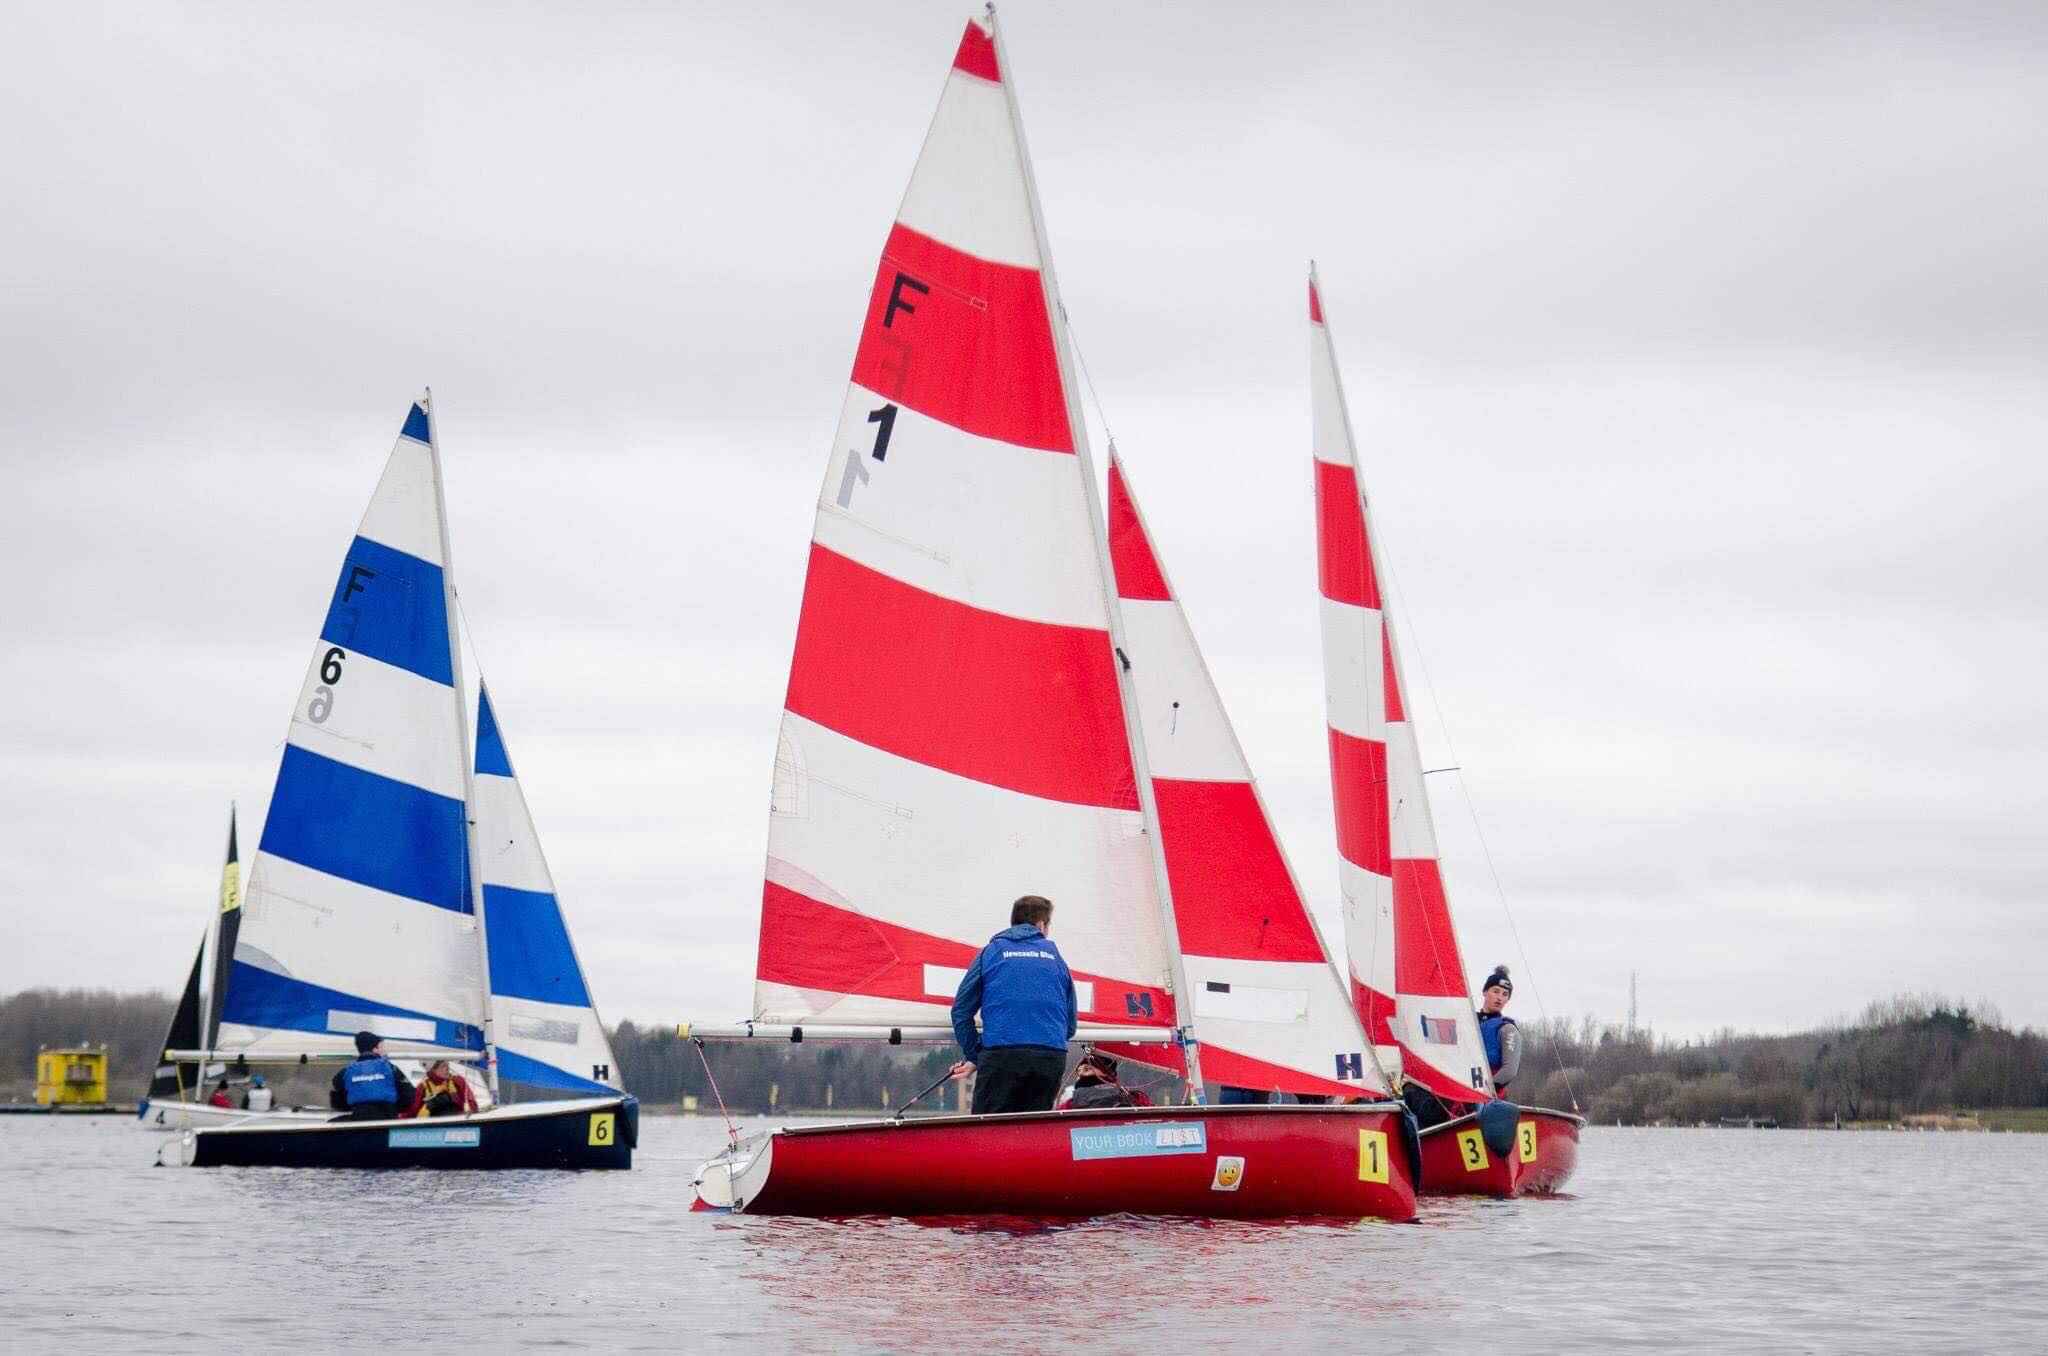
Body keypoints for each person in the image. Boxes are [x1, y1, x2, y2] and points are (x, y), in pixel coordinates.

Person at [949, 895, 1076, 1114]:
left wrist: (974, 1054)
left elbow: (961, 1011)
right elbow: (1070, 1024)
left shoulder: (990, 953)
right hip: (1049, 1057)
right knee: (1033, 1133)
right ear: (1041, 925)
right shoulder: (1057, 959)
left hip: (1001, 1057)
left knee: (989, 1133)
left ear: (1013, 923)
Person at [329, 1030, 415, 1121]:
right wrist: (394, 1109)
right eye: (381, 1047)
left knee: (332, 1122)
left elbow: (336, 1102)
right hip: (388, 1119)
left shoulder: (346, 1072)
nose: (383, 1050)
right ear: (375, 1049)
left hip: (359, 1120)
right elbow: (409, 1097)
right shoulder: (390, 1068)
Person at [1057, 1051, 1153, 1110]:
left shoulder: (1135, 1097)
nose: (1081, 1074)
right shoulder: (1072, 1103)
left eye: (1087, 1069)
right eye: (1078, 1073)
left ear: (1105, 1072)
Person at [1478, 965, 1521, 1093]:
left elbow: (1510, 1070)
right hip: (1458, 1088)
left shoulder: (1507, 1029)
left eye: (1505, 994)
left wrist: (1487, 1091)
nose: (1500, 998)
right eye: (1496, 991)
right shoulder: (1469, 1021)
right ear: (1485, 992)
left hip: (1488, 1097)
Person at [406, 1060, 480, 1118]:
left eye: (448, 1065)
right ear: (433, 1070)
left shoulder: (458, 1081)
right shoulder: (422, 1087)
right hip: (434, 1127)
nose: (448, 1068)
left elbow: (473, 1106)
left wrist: (453, 1099)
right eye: (443, 1066)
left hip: (457, 1122)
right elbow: (412, 1112)